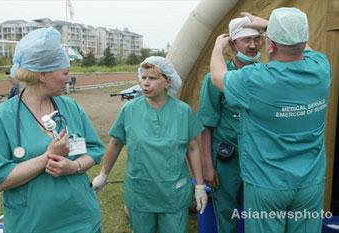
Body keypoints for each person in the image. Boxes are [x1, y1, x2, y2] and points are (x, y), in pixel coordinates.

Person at [210, 8, 331, 233]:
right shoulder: (321, 68)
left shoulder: (257, 80)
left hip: (267, 185)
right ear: (303, 39)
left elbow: (218, 77)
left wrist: (218, 48)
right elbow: (306, 48)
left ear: (271, 46)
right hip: (310, 183)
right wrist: (267, 24)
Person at [0, 27, 105, 233]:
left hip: (82, 220)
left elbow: (94, 150)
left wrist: (74, 167)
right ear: (43, 75)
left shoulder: (71, 107)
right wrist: (47, 157)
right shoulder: (1, 118)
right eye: (65, 72)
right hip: (33, 224)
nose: (69, 78)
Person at [93, 56, 208, 233]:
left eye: (152, 78)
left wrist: (199, 185)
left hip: (173, 192)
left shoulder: (182, 111)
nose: (145, 83)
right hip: (140, 192)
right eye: (143, 77)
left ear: (167, 82)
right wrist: (103, 174)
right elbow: (116, 143)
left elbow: (192, 148)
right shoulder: (129, 110)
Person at [198, 16, 261, 233]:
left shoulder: (266, 75)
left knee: (259, 213)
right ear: (232, 45)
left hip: (258, 158)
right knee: (225, 214)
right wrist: (207, 165)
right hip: (227, 159)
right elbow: (206, 124)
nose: (253, 45)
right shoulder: (215, 79)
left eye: (256, 39)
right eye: (246, 40)